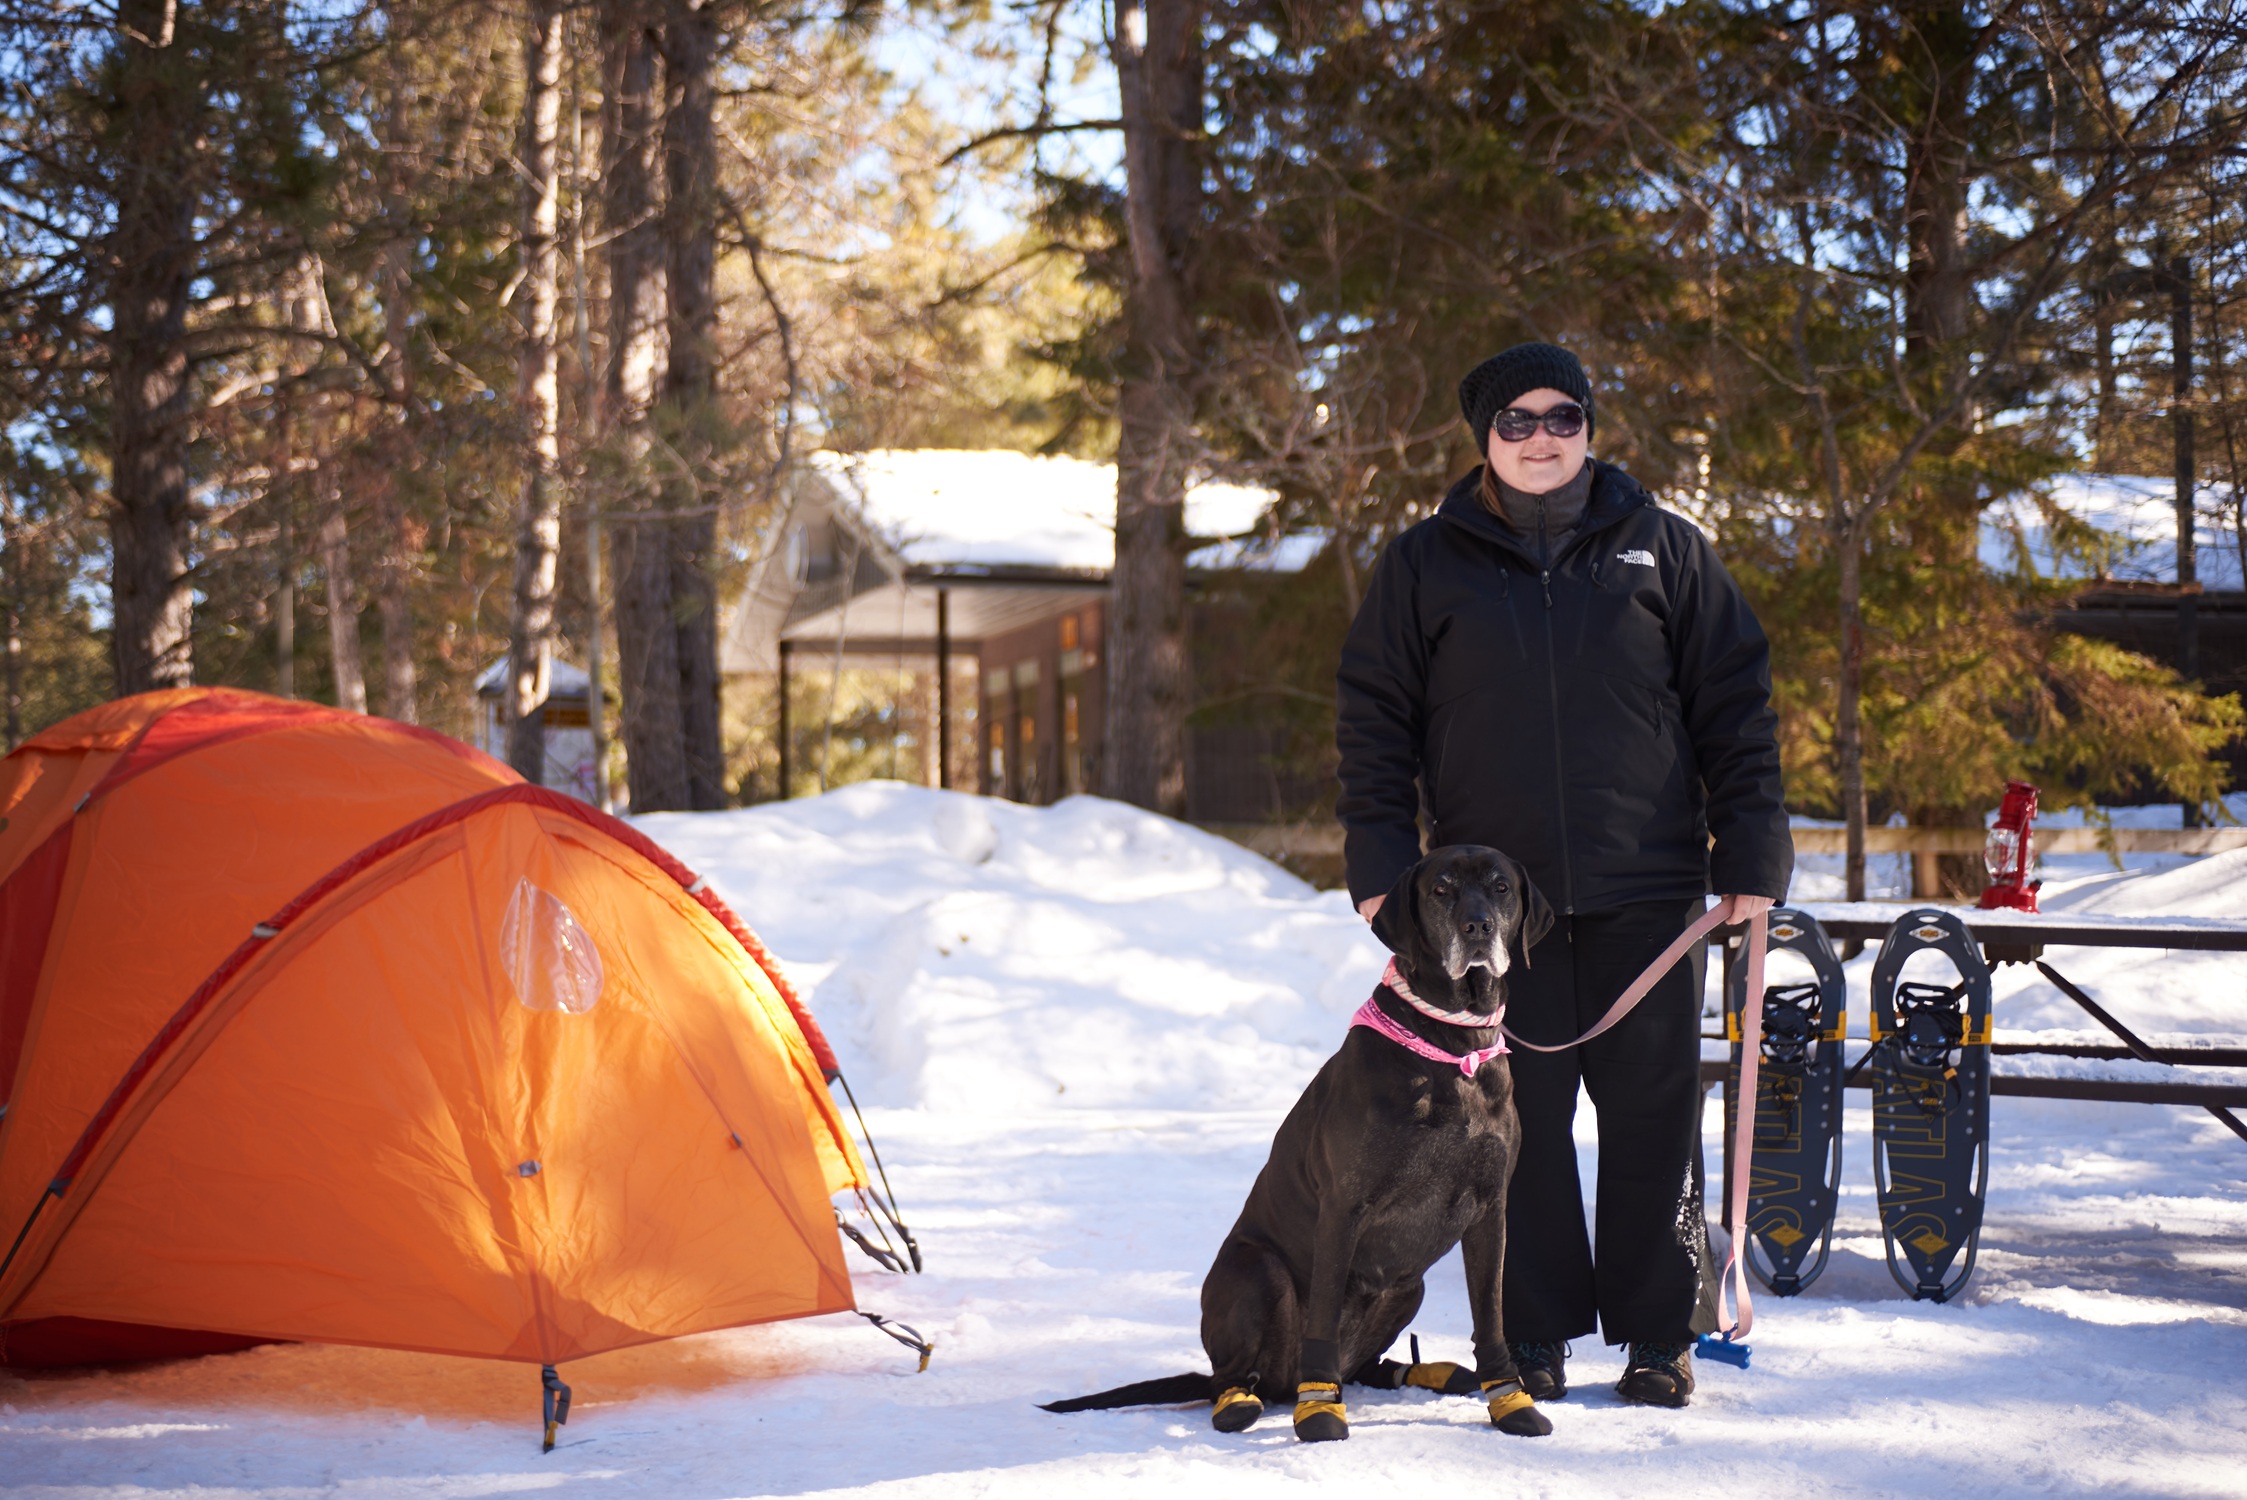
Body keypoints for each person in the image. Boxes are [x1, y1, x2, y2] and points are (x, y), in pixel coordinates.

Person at [1334, 342, 1791, 1408]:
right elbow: (1373, 722)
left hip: (1650, 890)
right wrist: (1380, 867)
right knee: (1511, 1122)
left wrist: (1754, 853)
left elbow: (1736, 705)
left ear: (1590, 427)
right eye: (1518, 422)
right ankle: (1528, 1334)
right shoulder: (1422, 564)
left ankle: (1657, 1332)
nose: (1542, 438)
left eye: (1563, 418)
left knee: (1653, 1118)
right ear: (1483, 437)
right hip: (1490, 911)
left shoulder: (1665, 551)